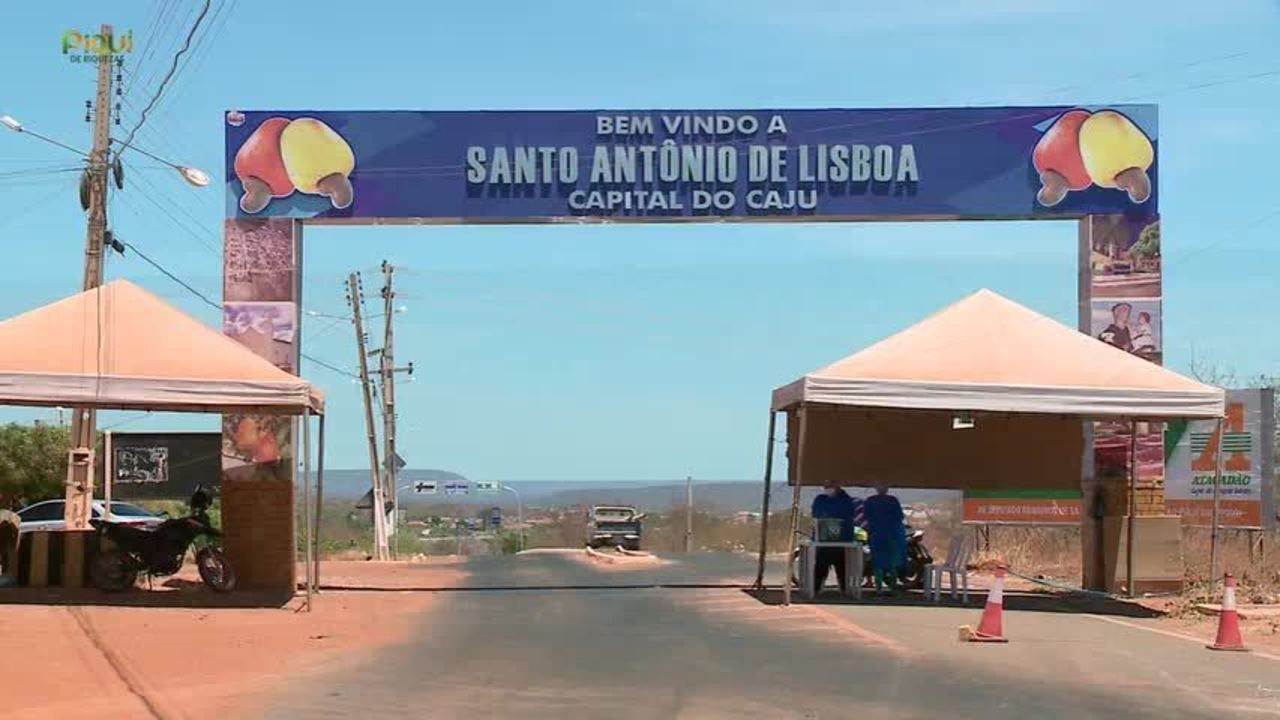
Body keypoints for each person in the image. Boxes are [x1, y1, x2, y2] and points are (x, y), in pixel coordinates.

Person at [810, 483, 861, 593]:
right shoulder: (821, 499)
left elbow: (847, 517)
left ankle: (845, 590)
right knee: (821, 566)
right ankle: (816, 589)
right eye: (826, 486)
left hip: (842, 540)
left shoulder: (845, 500)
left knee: (842, 566)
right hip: (823, 539)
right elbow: (815, 514)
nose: (827, 488)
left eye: (830, 486)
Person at [862, 484, 906, 593]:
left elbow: (866, 516)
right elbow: (900, 517)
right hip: (891, 535)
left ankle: (879, 588)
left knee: (878, 562)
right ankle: (892, 587)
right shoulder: (892, 501)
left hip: (877, 535)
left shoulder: (871, 501)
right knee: (892, 563)